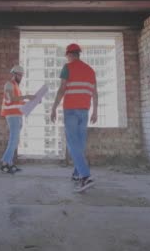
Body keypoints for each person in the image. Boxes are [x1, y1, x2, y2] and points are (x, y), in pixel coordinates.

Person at [50, 43, 98, 192]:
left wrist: (53, 108)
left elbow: (62, 89)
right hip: (84, 111)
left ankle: (85, 176)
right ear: (79, 53)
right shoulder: (90, 70)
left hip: (70, 110)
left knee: (72, 143)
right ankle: (77, 173)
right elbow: (95, 93)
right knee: (80, 143)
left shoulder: (67, 67)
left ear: (70, 54)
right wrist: (95, 111)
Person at [0, 65, 35, 174]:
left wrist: (32, 102)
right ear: (14, 74)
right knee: (13, 140)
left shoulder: (16, 87)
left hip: (17, 115)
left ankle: (10, 163)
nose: (21, 77)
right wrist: (27, 96)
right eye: (19, 75)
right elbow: (11, 99)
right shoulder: (9, 84)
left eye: (21, 75)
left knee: (15, 141)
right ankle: (4, 163)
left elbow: (18, 102)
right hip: (12, 116)